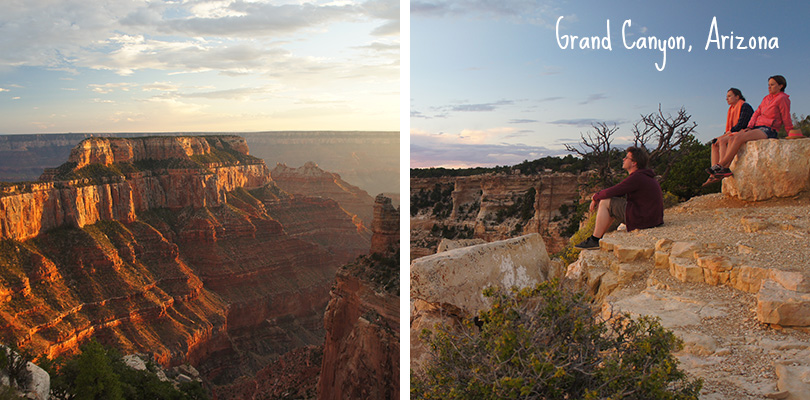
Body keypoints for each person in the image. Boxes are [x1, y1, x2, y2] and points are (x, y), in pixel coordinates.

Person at [704, 75, 792, 185]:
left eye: (772, 84)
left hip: (769, 129)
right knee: (733, 137)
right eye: (768, 85)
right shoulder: (766, 98)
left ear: (781, 86)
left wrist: (790, 132)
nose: (769, 87)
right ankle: (724, 169)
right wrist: (749, 127)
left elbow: (786, 116)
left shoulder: (783, 98)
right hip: (757, 127)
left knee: (739, 137)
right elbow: (756, 114)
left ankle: (721, 165)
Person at [575, 146, 663, 250]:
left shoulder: (637, 177)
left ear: (634, 163)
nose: (623, 159)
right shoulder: (644, 176)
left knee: (605, 202)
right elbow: (618, 192)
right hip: (652, 218)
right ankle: (598, 237)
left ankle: (594, 240)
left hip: (644, 219)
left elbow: (613, 191)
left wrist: (595, 197)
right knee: (611, 204)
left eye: (627, 158)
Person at [703, 88, 754, 186]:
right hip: (734, 132)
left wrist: (726, 134)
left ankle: (723, 168)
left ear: (737, 96)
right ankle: (714, 172)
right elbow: (730, 128)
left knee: (722, 141)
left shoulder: (745, 106)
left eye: (729, 96)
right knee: (714, 143)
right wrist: (725, 134)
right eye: (727, 96)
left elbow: (742, 125)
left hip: (742, 131)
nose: (727, 99)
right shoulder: (731, 109)